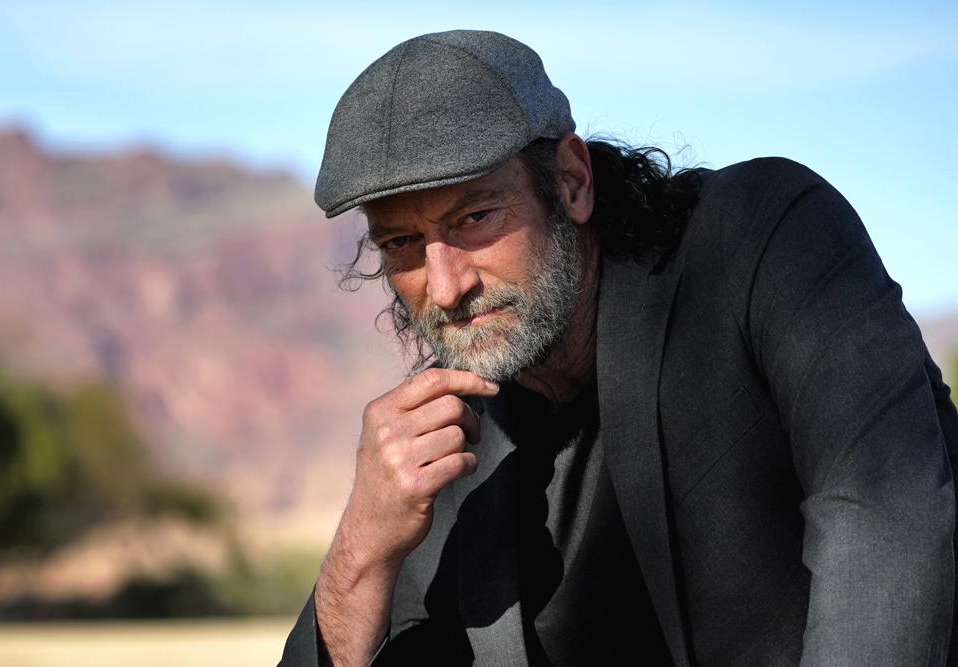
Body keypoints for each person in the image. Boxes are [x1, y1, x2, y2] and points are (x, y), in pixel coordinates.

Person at [279, 29, 958, 666]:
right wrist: (360, 550)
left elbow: (885, 524)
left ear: (571, 180)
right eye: (402, 243)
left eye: (477, 217)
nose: (448, 287)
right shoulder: (448, 444)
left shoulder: (763, 241)